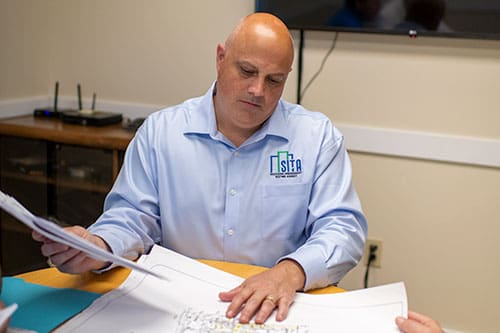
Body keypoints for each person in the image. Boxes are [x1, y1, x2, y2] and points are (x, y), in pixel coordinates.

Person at [33, 12, 367, 325]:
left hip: (275, 310)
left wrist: (289, 272)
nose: (258, 91)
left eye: (274, 80)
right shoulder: (161, 133)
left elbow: (343, 229)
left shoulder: (316, 137)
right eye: (247, 71)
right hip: (177, 309)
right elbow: (133, 217)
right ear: (220, 58)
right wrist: (98, 247)